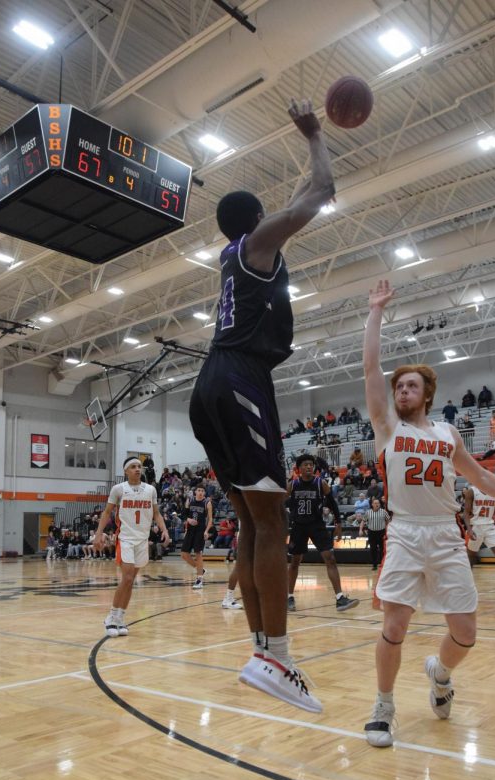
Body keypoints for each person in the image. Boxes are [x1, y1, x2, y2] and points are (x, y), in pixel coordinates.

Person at [362, 279, 495, 747]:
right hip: (405, 533)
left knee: (465, 633)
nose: (401, 391)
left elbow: (484, 480)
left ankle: (441, 673)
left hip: (446, 534)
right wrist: (376, 313)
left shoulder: (448, 435)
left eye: (410, 386)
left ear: (427, 393)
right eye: (398, 387)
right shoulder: (387, 426)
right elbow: (370, 368)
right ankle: (384, 707)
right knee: (394, 625)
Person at [188, 98, 334, 714]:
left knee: (252, 523)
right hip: (242, 380)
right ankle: (278, 654)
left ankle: (261, 650)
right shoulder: (257, 245)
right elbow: (319, 193)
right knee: (269, 523)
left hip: (211, 384)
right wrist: (314, 135)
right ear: (255, 220)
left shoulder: (229, 257)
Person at [94, 458, 170, 637]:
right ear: (126, 471)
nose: (137, 469)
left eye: (139, 466)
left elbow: (156, 513)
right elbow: (106, 513)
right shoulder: (118, 489)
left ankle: (120, 617)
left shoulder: (151, 490)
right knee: (127, 578)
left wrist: (165, 529)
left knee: (131, 581)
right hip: (125, 538)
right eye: (133, 467)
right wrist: (98, 534)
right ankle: (111, 617)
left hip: (142, 540)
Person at [287, 454, 358, 612]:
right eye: (305, 464)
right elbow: (281, 504)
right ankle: (289, 597)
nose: (309, 467)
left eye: (311, 464)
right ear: (299, 469)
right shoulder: (293, 484)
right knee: (295, 562)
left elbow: (332, 503)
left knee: (330, 558)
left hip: (316, 525)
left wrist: (338, 523)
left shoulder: (321, 483)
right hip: (298, 526)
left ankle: (340, 598)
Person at [181, 486, 213, 588]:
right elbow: (183, 514)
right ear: (195, 492)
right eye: (199, 490)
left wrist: (206, 531)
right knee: (184, 554)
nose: (200, 492)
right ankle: (200, 569)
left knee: (198, 554)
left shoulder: (207, 503)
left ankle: (199, 580)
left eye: (202, 491)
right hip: (190, 530)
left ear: (204, 493)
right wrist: (188, 520)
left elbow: (210, 519)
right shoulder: (189, 500)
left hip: (200, 531)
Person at [364, 497, 390, 570]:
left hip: (381, 532)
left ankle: (382, 564)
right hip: (371, 533)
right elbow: (363, 520)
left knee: (382, 549)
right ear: (372, 504)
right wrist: (360, 530)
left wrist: (387, 529)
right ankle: (374, 565)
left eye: (378, 503)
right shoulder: (368, 512)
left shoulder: (384, 512)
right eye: (375, 503)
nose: (377, 504)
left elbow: (388, 520)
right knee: (373, 549)